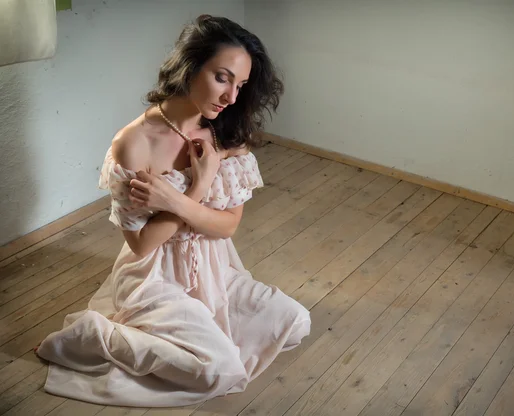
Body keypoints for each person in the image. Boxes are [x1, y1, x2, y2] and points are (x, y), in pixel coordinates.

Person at [35, 15, 311, 407]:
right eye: (222, 77)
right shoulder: (134, 143)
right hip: (154, 276)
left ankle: (194, 336)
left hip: (214, 268)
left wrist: (177, 200)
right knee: (220, 370)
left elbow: (227, 227)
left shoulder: (226, 131)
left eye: (242, 85)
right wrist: (198, 186)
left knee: (297, 322)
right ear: (190, 66)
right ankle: (92, 335)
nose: (232, 97)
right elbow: (143, 244)